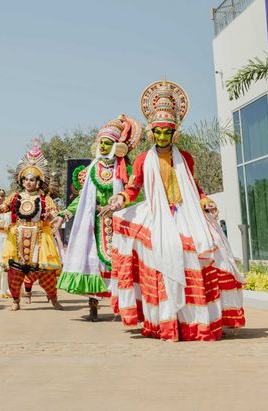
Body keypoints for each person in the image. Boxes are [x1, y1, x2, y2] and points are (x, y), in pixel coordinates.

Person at [105, 81, 245, 341]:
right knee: (166, 248)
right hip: (156, 215)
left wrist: (206, 202)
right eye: (157, 132)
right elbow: (133, 187)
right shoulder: (143, 160)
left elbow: (196, 187)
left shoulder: (187, 158)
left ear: (174, 133)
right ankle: (166, 321)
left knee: (208, 244)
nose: (161, 137)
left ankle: (199, 323)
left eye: (166, 133)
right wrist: (119, 200)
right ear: (152, 132)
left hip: (186, 211)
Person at [55, 114, 140, 321]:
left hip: (120, 223)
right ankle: (93, 307)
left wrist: (118, 205)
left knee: (121, 264)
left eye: (108, 143)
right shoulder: (92, 169)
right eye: (101, 142)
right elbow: (82, 199)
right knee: (93, 263)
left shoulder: (126, 169)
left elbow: (136, 195)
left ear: (116, 146)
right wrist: (65, 213)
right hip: (94, 225)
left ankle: (124, 306)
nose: (103, 147)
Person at [0, 142, 64, 311]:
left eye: (32, 179)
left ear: (38, 182)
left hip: (40, 238)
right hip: (17, 236)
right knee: (14, 271)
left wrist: (51, 217)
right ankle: (16, 301)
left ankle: (54, 298)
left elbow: (55, 214)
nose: (28, 182)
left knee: (46, 272)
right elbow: (1, 210)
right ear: (21, 180)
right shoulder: (14, 196)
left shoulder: (45, 198)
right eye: (25, 179)